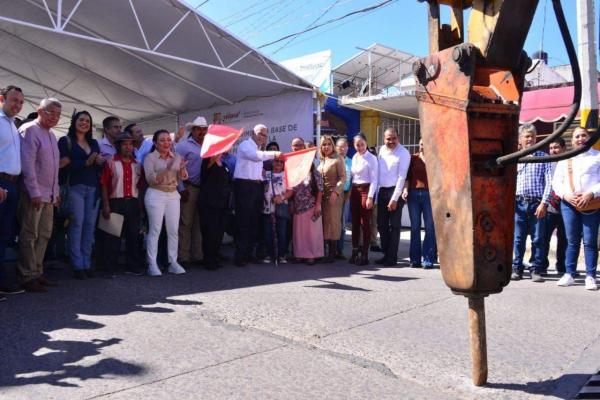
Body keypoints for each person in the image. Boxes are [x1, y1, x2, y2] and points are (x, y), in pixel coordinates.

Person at [18, 97, 62, 292]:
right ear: (39, 110)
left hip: (49, 195)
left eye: (58, 114)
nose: (54, 117)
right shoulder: (29, 130)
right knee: (30, 234)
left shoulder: (52, 135)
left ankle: (37, 271)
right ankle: (26, 276)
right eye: (50, 112)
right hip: (33, 194)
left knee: (44, 234)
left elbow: (54, 168)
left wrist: (56, 192)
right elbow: (27, 165)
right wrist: (34, 191)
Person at [58, 111, 104, 279]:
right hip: (74, 187)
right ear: (74, 122)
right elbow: (61, 165)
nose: (84, 123)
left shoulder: (94, 142)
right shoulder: (65, 141)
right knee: (77, 224)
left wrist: (98, 163)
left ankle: (86, 262)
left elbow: (97, 167)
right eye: (81, 120)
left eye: (87, 121)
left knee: (89, 225)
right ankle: (77, 265)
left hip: (93, 188)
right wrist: (86, 162)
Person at [553, 128, 600, 290]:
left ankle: (590, 276)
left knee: (590, 241)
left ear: (589, 138)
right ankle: (569, 273)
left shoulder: (597, 156)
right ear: (572, 141)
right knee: (571, 240)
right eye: (577, 136)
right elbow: (557, 182)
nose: (580, 139)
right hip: (569, 204)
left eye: (583, 135)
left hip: (590, 204)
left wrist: (591, 193)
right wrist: (566, 195)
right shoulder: (566, 158)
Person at [232, 124, 280, 267]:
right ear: (252, 133)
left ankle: (249, 254)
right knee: (243, 222)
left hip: (256, 186)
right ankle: (240, 256)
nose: (262, 137)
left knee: (254, 221)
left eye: (265, 135)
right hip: (244, 187)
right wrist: (275, 154)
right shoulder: (245, 145)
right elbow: (255, 157)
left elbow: (257, 166)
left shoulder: (259, 149)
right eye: (260, 133)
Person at [98, 132, 145, 277]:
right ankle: (109, 268)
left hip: (133, 203)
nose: (128, 147)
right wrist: (106, 205)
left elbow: (141, 186)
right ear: (118, 146)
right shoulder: (111, 161)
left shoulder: (138, 164)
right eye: (124, 144)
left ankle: (132, 266)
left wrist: (141, 206)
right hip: (115, 202)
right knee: (112, 237)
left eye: (130, 144)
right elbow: (104, 184)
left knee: (133, 236)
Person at [510, 124, 553, 283]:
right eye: (526, 136)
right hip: (519, 203)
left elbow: (549, 182)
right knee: (518, 238)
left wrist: (544, 204)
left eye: (532, 136)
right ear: (520, 139)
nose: (530, 139)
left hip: (537, 204)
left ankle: (536, 269)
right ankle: (517, 268)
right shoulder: (515, 158)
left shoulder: (544, 157)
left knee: (538, 239)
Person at [143, 129, 189, 276]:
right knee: (155, 230)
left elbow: (183, 177)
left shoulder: (176, 155)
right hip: (156, 193)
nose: (166, 143)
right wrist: (167, 168)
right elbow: (151, 180)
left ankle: (173, 262)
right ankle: (152, 264)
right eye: (162, 140)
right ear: (155, 143)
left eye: (168, 140)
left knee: (173, 231)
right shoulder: (150, 158)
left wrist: (181, 168)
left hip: (173, 194)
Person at [0, 85, 25, 299]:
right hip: (1, 182)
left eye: (20, 102)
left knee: (5, 235)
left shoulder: (14, 126)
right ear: (2, 99)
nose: (17, 105)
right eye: (13, 100)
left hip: (13, 184)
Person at [175, 116, 207, 267]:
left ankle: (198, 255)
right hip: (189, 187)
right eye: (198, 129)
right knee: (186, 223)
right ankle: (184, 256)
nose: (201, 132)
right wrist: (181, 188)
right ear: (192, 130)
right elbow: (176, 168)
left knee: (199, 223)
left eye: (204, 129)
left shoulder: (209, 145)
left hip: (204, 189)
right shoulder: (183, 146)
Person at [377, 127, 411, 267]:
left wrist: (395, 198)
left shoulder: (404, 153)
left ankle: (392, 258)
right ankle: (386, 254)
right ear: (384, 139)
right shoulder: (382, 150)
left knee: (395, 226)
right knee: (381, 225)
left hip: (394, 192)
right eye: (388, 139)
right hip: (382, 191)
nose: (391, 141)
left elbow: (402, 177)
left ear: (398, 138)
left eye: (393, 138)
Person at [402, 138, 436, 269]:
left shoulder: (434, 159)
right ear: (419, 145)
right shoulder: (413, 158)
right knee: (415, 227)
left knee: (430, 227)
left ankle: (428, 259)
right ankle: (415, 259)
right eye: (421, 144)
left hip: (429, 195)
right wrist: (405, 190)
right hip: (414, 195)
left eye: (425, 144)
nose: (423, 146)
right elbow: (407, 177)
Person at [199, 152, 232, 270]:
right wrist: (213, 158)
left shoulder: (223, 164)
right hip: (210, 204)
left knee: (219, 233)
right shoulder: (207, 162)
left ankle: (215, 257)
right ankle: (208, 260)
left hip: (223, 204)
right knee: (210, 233)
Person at [539, 138, 567, 275]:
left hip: (566, 207)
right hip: (549, 207)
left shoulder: (569, 162)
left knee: (564, 240)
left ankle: (562, 267)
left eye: (556, 147)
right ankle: (542, 266)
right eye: (550, 148)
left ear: (564, 148)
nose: (553, 150)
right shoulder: (546, 163)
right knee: (544, 238)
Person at [350, 133, 378, 266]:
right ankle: (355, 251)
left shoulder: (372, 158)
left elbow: (374, 180)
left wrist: (370, 197)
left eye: (362, 144)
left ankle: (365, 255)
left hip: (366, 190)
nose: (360, 147)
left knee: (365, 223)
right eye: (357, 145)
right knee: (355, 223)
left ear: (366, 143)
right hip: (355, 190)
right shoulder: (355, 157)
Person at [318, 135, 346, 262]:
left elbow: (343, 178)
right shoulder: (322, 160)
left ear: (333, 145)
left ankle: (332, 253)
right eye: (324, 144)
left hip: (334, 195)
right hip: (322, 196)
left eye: (329, 144)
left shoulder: (338, 158)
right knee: (325, 222)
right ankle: (324, 251)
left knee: (333, 222)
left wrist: (336, 192)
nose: (326, 146)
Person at [292, 162, 324, 265]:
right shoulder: (296, 172)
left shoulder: (316, 173)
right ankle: (300, 255)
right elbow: (292, 189)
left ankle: (311, 255)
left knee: (312, 233)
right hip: (298, 206)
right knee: (299, 233)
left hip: (311, 206)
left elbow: (320, 190)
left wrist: (318, 205)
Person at [262, 158, 291, 264]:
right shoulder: (266, 173)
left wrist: (281, 197)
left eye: (281, 162)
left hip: (282, 205)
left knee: (282, 232)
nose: (278, 163)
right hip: (267, 206)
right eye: (276, 161)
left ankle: (281, 255)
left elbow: (290, 191)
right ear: (272, 162)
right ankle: (270, 254)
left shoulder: (287, 175)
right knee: (268, 232)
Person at [335, 137, 352, 259]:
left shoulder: (351, 162)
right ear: (336, 148)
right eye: (339, 146)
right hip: (332, 195)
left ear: (347, 148)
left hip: (345, 195)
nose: (342, 149)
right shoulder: (331, 160)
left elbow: (353, 181)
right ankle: (330, 248)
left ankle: (339, 250)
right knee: (331, 222)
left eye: (344, 146)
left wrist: (348, 195)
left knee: (341, 223)